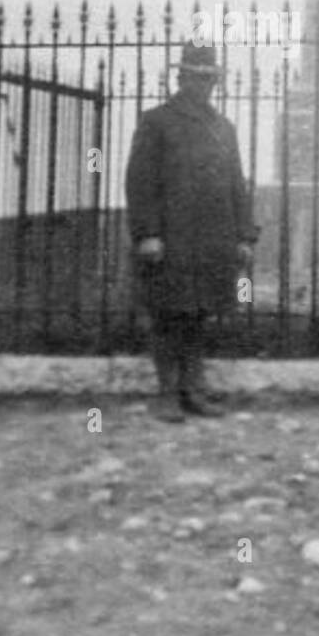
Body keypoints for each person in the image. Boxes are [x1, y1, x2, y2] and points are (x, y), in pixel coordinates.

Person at [125, 40, 258, 422]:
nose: (203, 85)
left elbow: (237, 184)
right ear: (180, 77)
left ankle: (194, 391)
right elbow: (140, 182)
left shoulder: (224, 128)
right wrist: (148, 233)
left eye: (209, 79)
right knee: (169, 315)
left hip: (213, 239)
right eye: (196, 77)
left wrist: (244, 236)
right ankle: (168, 394)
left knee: (199, 315)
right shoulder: (157, 121)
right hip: (172, 239)